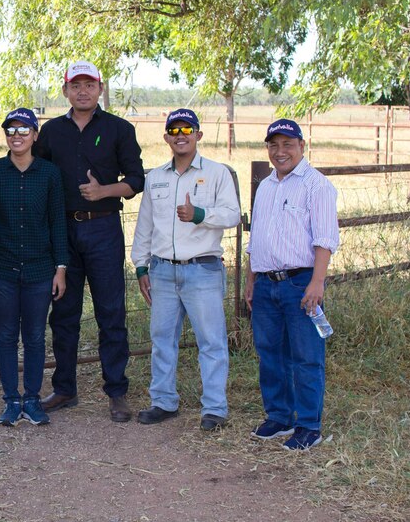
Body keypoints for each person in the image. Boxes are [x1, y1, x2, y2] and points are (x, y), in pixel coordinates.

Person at [35, 61, 145, 422]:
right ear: (65, 90)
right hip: (63, 232)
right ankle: (65, 388)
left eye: (89, 84)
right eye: (75, 85)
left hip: (103, 229)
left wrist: (103, 191)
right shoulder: (50, 132)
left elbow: (135, 179)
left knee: (111, 312)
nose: (83, 91)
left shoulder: (119, 129)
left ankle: (116, 391)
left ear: (100, 89)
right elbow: (39, 175)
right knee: (63, 313)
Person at [131, 109, 240, 431]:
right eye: (174, 130)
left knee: (211, 342)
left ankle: (215, 409)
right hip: (163, 271)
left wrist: (199, 214)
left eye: (187, 129)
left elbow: (232, 215)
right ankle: (163, 401)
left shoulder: (217, 173)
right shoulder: (156, 178)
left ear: (198, 135)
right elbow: (145, 225)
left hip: (202, 270)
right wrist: (141, 266)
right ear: (166, 137)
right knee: (162, 339)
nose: (181, 135)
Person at [245, 118, 339, 450]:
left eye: (287, 144)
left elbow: (325, 239)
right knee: (270, 352)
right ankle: (279, 417)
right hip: (267, 285)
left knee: (306, 355)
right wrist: (251, 278)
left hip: (300, 283)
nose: (280, 151)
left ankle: (309, 426)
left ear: (302, 146)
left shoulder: (317, 185)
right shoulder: (267, 186)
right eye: (274, 145)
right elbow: (256, 238)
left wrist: (317, 282)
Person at [0, 108, 69, 427]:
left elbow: (57, 221)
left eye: (24, 130)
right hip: (1, 268)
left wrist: (60, 268)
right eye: (11, 130)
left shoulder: (49, 174)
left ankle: (32, 398)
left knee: (33, 335)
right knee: (5, 335)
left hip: (40, 270)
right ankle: (10, 401)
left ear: (35, 135)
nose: (17, 135)